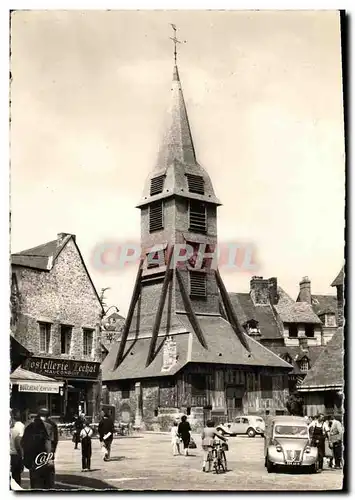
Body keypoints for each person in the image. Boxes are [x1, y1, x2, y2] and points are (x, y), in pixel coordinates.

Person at [21, 408, 55, 490]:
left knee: (34, 481)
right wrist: (50, 458)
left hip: (32, 459)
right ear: (47, 416)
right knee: (46, 482)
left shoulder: (28, 426)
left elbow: (23, 443)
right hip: (43, 459)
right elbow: (49, 443)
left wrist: (25, 457)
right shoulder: (49, 426)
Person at [10, 409, 25, 487]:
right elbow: (18, 442)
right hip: (15, 455)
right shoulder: (20, 426)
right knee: (16, 477)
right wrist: (22, 456)